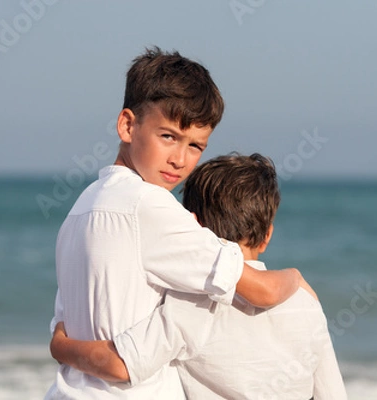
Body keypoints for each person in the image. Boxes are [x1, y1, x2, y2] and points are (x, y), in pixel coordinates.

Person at [45, 48, 308, 399]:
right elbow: (262, 291)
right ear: (127, 125)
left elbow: (62, 332)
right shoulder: (150, 205)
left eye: (196, 145)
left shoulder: (79, 211)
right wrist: (297, 278)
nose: (180, 159)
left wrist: (60, 350)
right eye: (168, 136)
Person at [51, 153, 348, 400]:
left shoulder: (192, 302)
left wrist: (62, 347)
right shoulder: (306, 305)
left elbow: (122, 362)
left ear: (192, 225)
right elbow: (331, 393)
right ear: (266, 235)